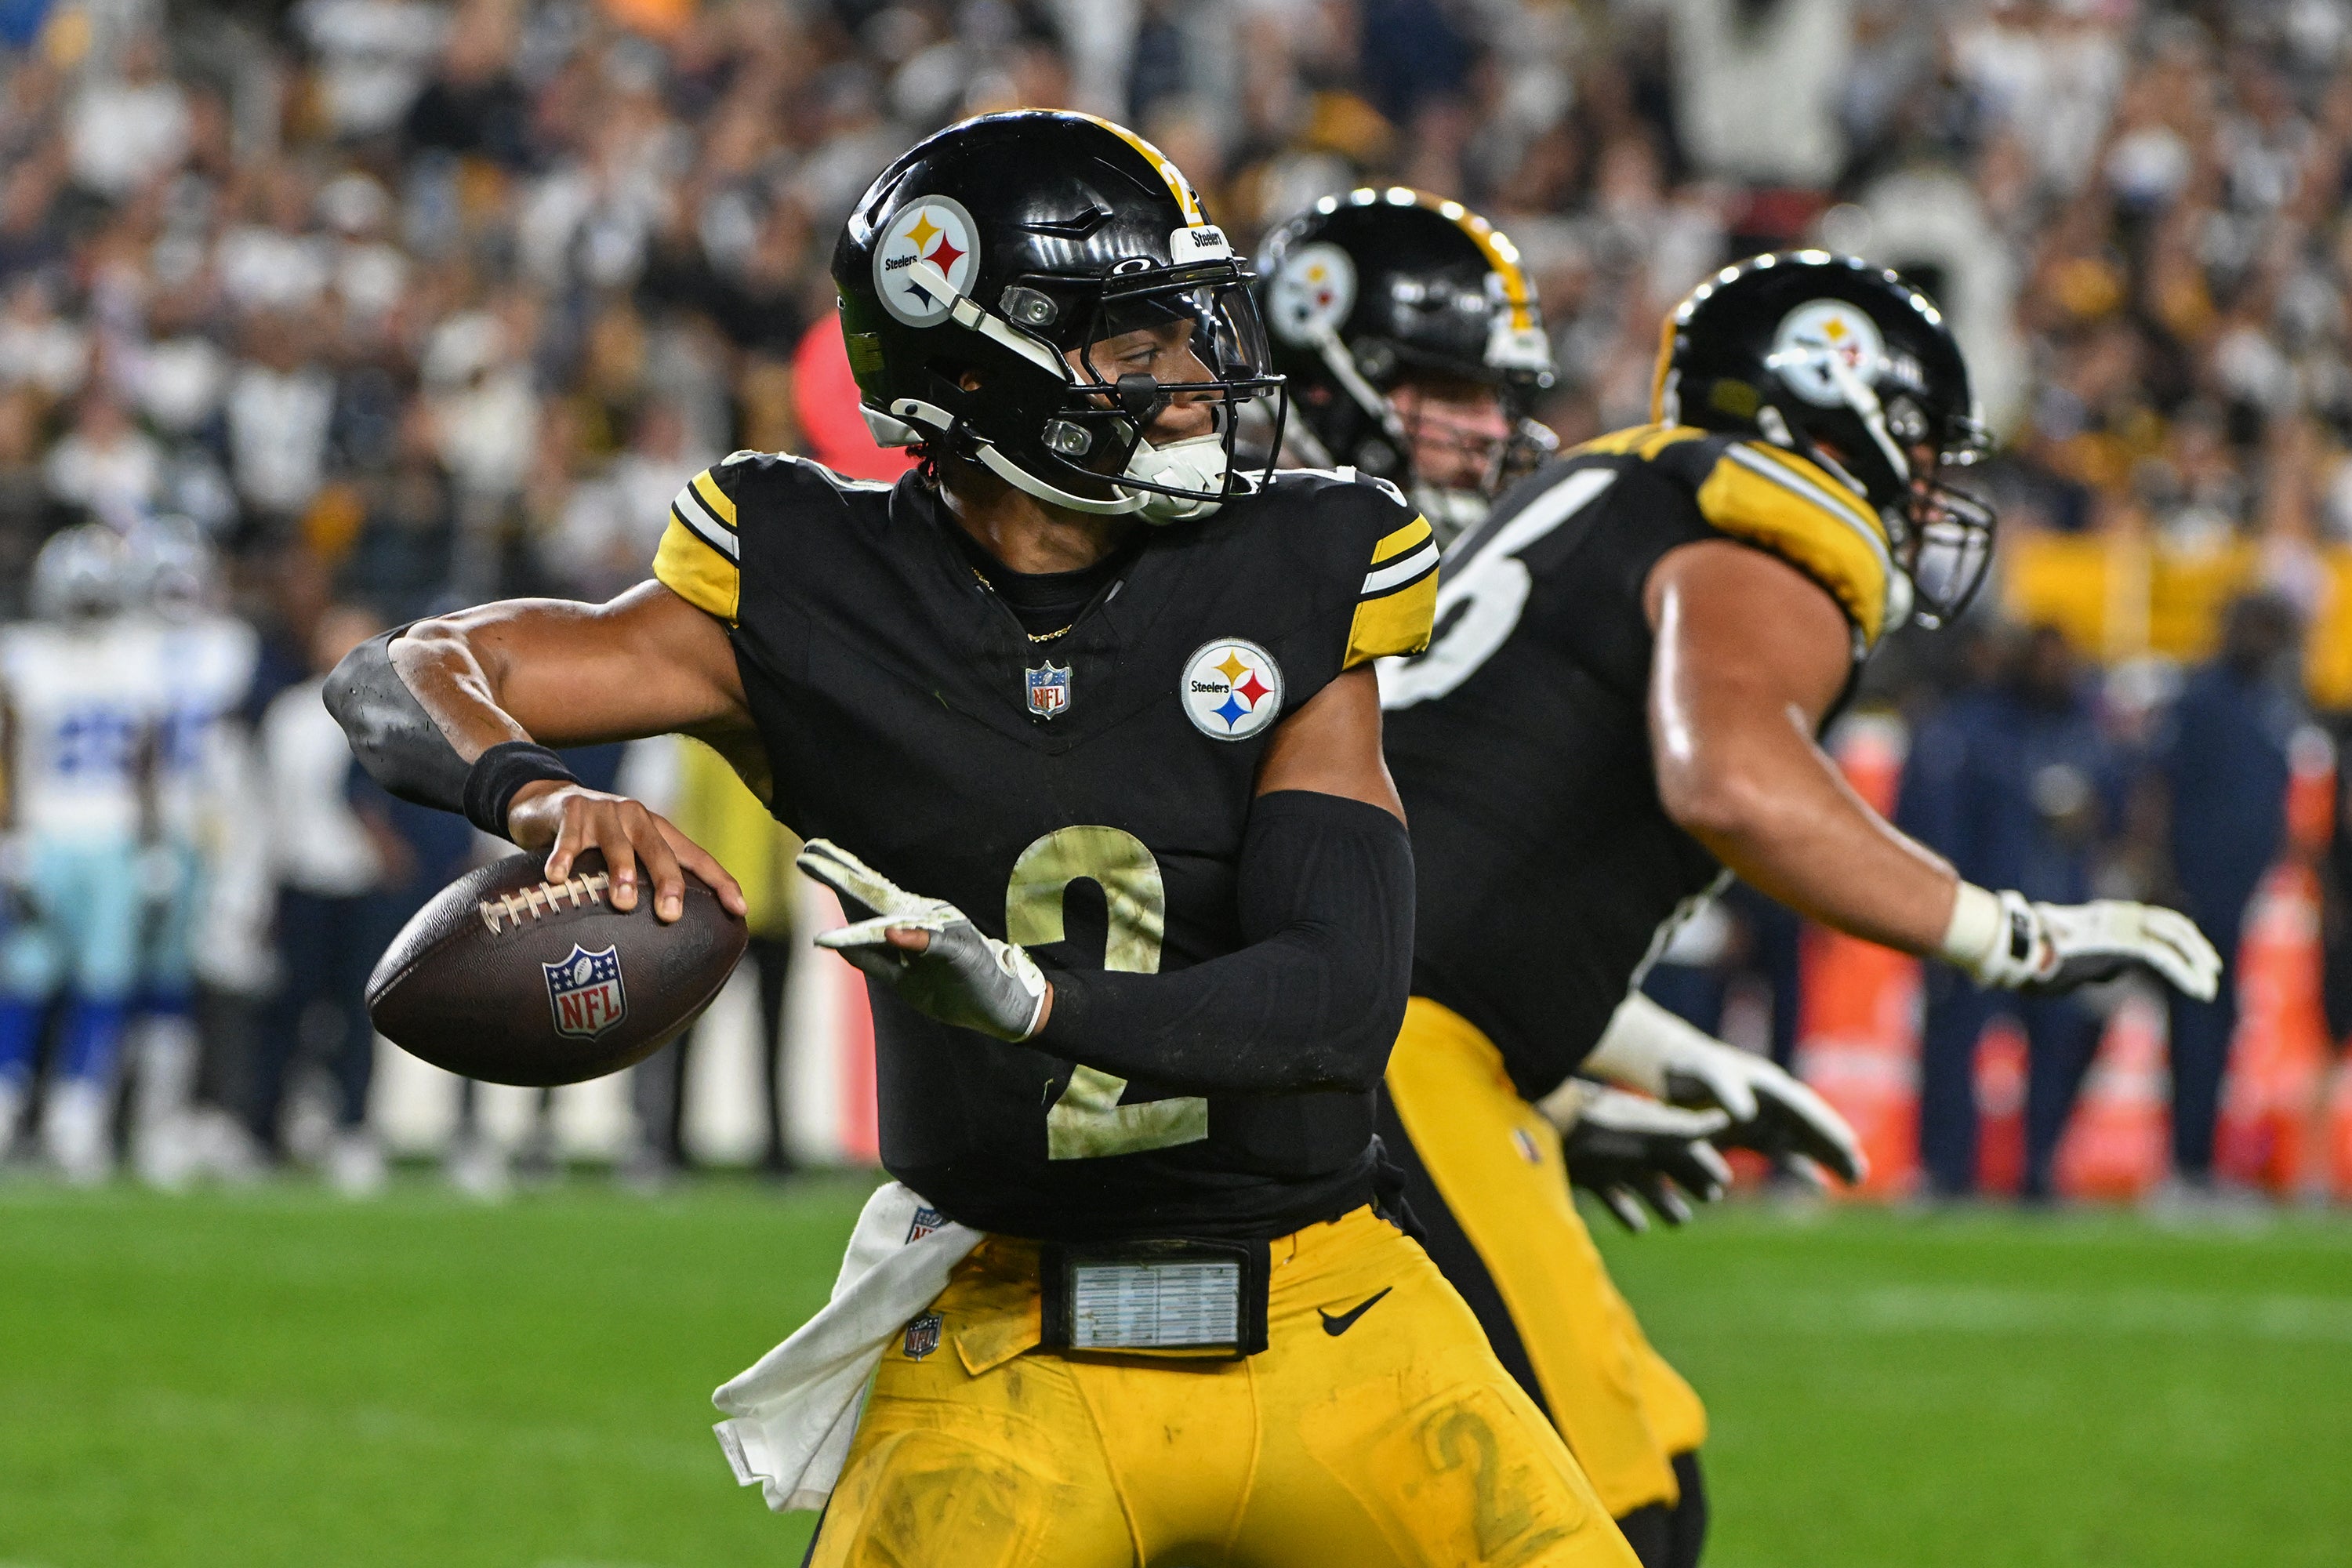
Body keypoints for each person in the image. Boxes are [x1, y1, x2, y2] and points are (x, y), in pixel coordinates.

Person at [329, 112, 1637, 1567]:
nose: (1199, 383)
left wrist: (1029, 1001)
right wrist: (539, 792)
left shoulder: (1299, 563)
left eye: (1190, 333)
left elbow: (1335, 999)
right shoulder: (807, 582)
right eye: (1135, 350)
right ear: (976, 370)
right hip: (1008, 1337)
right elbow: (403, 670)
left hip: (1338, 1309)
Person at [1362, 248, 2224, 1566]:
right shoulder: (1757, 521)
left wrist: (1632, 1064)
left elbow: (1486, 857)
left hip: (1421, 1032)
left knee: (1645, 1466)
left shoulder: (1624, 486)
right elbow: (1735, 784)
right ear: (1838, 405)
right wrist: (2014, 934)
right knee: (1597, 1520)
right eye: (1924, 447)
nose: (1933, 486)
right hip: (1395, 1043)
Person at [1896, 622, 2125, 1200]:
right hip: (1986, 915)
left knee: (2060, 1045)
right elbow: (1940, 825)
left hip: (2060, 921)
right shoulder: (1978, 727)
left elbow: (2120, 809)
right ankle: (1948, 1173)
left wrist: (2093, 814)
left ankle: (2041, 1169)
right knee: (1955, 1042)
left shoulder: (2084, 728)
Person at [0, 524, 157, 1181]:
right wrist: (11, 841)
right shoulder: (25, 655)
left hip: (113, 837)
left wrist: (152, 845)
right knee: (25, 980)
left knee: (103, 982)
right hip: (49, 832)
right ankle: (11, 1107)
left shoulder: (137, 654)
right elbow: (6, 754)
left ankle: (77, 1115)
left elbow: (144, 763)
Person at [122, 517, 259, 1189]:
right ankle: (140, 1118)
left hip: (214, 827)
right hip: (142, 829)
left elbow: (232, 752)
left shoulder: (228, 645)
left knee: (216, 973)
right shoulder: (130, 648)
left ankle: (190, 1116)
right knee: (141, 977)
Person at [2154, 590, 2303, 1202]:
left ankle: (2199, 1162)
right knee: (2190, 1028)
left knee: (2215, 1028)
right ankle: (2182, 1165)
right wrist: (2164, 872)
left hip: (2236, 893)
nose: (2264, 644)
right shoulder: (2202, 699)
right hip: (2193, 888)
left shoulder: (2270, 702)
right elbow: (2160, 788)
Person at [253, 602, 405, 1194]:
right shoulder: (290, 714)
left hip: (361, 882)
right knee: (288, 1014)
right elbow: (271, 808)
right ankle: (267, 1128)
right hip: (303, 878)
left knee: (361, 1014)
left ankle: (352, 1129)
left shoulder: (393, 710)